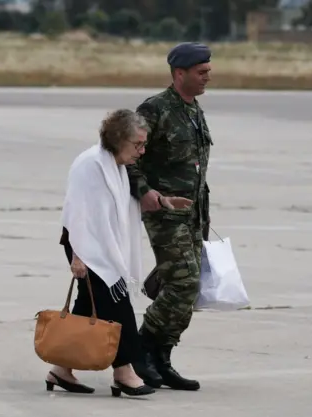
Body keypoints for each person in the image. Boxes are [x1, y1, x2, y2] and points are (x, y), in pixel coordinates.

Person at [45, 109, 191, 398]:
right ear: (118, 138)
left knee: (89, 309)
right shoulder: (90, 164)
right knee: (117, 306)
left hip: (103, 247)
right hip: (86, 247)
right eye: (138, 144)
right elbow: (77, 212)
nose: (142, 150)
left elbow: (123, 207)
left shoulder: (115, 165)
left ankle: (61, 369)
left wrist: (161, 201)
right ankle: (124, 372)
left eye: (144, 144)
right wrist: (78, 256)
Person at [126, 42, 214, 392]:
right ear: (180, 74)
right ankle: (141, 348)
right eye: (201, 72)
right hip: (165, 213)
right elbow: (126, 153)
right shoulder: (155, 109)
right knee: (183, 284)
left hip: (193, 214)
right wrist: (145, 192)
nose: (208, 76)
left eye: (208, 70)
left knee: (188, 288)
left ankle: (161, 358)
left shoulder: (194, 111)